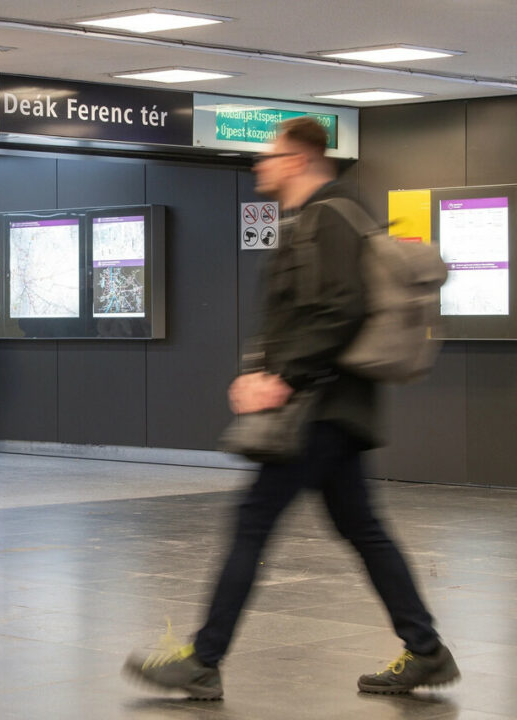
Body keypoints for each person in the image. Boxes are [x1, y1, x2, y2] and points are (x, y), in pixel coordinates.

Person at [123, 117, 459, 700]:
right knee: (363, 529)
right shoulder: (315, 219)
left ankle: (204, 660)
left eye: (270, 156)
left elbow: (341, 309)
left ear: (300, 160)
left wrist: (282, 378)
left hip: (317, 407)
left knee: (252, 523)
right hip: (336, 407)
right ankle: (425, 650)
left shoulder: (327, 217)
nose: (261, 166)